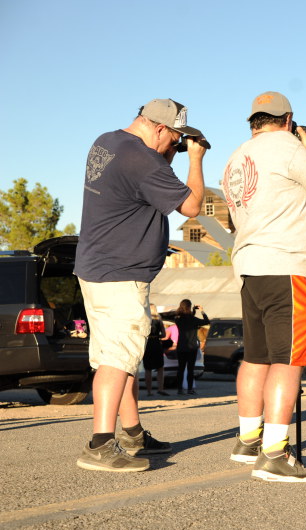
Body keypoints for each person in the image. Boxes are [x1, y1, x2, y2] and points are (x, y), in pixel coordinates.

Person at [74, 98, 207, 471]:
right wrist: (195, 159)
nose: (174, 146)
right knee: (117, 360)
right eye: (175, 139)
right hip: (121, 274)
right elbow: (192, 207)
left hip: (96, 267)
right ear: (160, 128)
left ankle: (132, 433)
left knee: (121, 357)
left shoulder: (108, 141)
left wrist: (170, 153)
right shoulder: (143, 160)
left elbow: (149, 176)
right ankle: (100, 445)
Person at [222, 91, 306, 483]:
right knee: (289, 361)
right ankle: (274, 454)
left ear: (254, 120)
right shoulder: (288, 146)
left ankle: (248, 440)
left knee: (256, 358)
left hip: (250, 266)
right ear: (288, 120)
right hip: (288, 265)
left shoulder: (237, 157)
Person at [164, 299, 209, 395]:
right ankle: (190, 389)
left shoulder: (178, 319)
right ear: (189, 307)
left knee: (180, 369)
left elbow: (182, 316)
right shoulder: (193, 319)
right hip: (192, 347)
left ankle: (180, 389)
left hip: (181, 346)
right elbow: (206, 321)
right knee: (190, 369)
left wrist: (192, 311)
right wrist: (201, 311)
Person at [143, 304, 170, 397]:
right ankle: (160, 389)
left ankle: (149, 391)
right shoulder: (158, 320)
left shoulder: (145, 319)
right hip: (156, 344)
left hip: (147, 344)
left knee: (148, 369)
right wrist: (158, 335)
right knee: (160, 368)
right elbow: (164, 335)